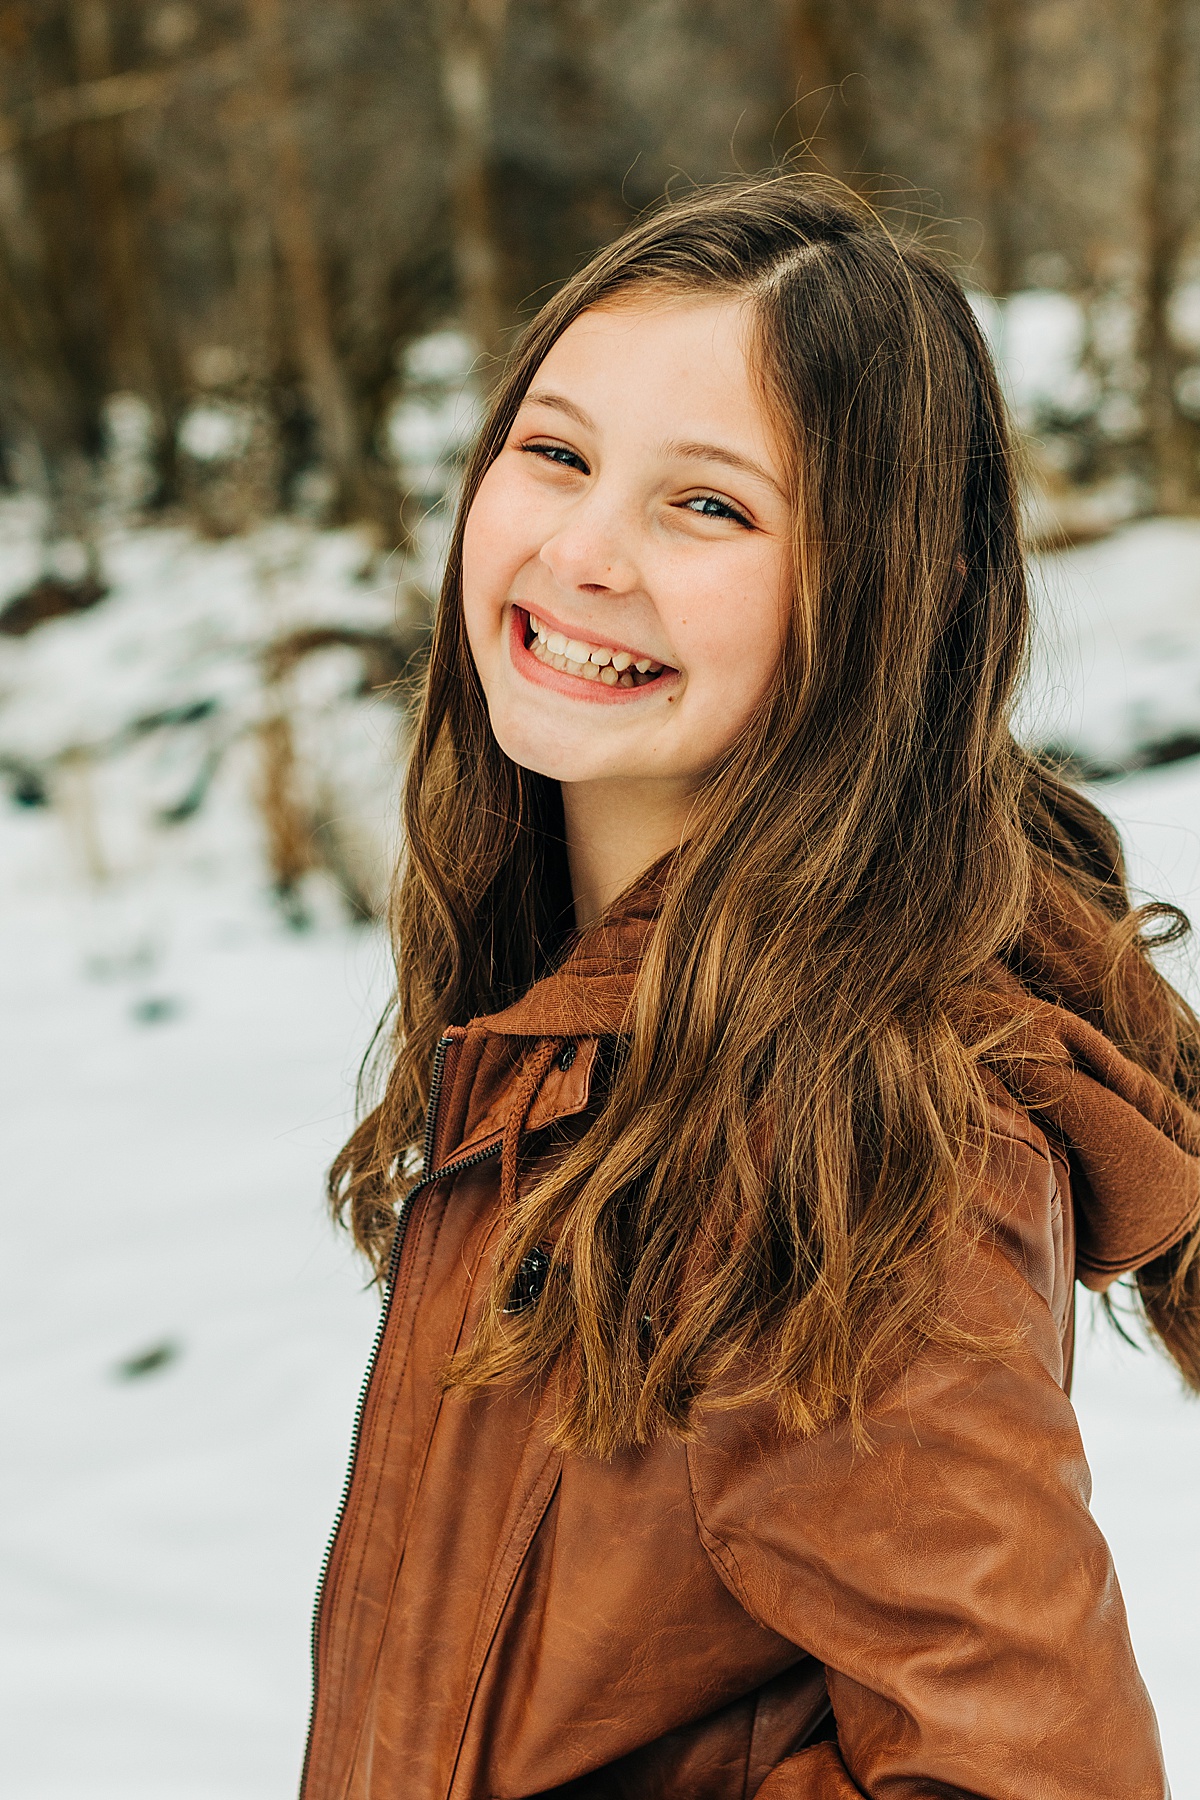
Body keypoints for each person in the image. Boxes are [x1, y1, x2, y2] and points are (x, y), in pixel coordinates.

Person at [301, 179, 1200, 1799]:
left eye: (707, 507)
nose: (582, 552)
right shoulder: (590, 1021)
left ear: (873, 601)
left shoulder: (838, 1134)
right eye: (556, 453)